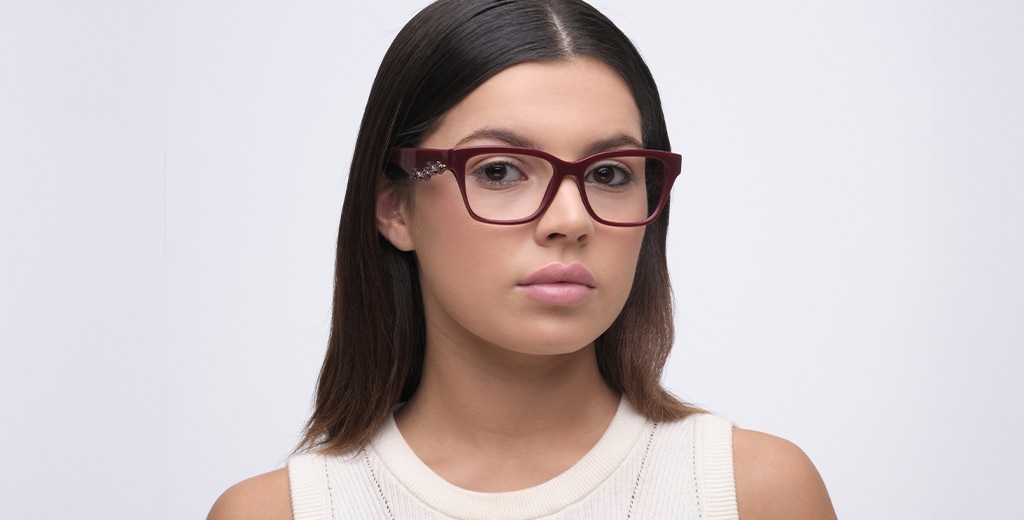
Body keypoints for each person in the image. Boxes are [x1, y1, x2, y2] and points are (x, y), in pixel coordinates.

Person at [209, 0, 837, 518]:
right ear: (395, 208)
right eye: (501, 170)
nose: (570, 220)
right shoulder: (280, 511)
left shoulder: (754, 493)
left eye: (612, 172)